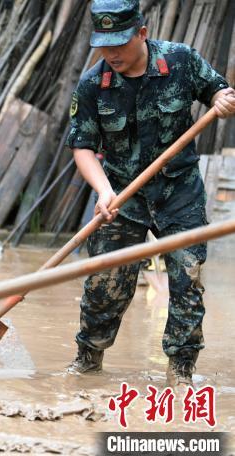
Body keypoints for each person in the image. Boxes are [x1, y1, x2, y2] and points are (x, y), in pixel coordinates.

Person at [66, 0, 235, 387]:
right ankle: (87, 363)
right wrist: (104, 190)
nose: (111, 54)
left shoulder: (180, 61)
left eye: (119, 44)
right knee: (104, 284)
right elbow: (82, 146)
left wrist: (222, 99)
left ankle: (181, 372)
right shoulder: (93, 84)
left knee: (186, 280)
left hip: (179, 193)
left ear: (142, 32)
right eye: (103, 45)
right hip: (122, 195)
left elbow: (219, 92)